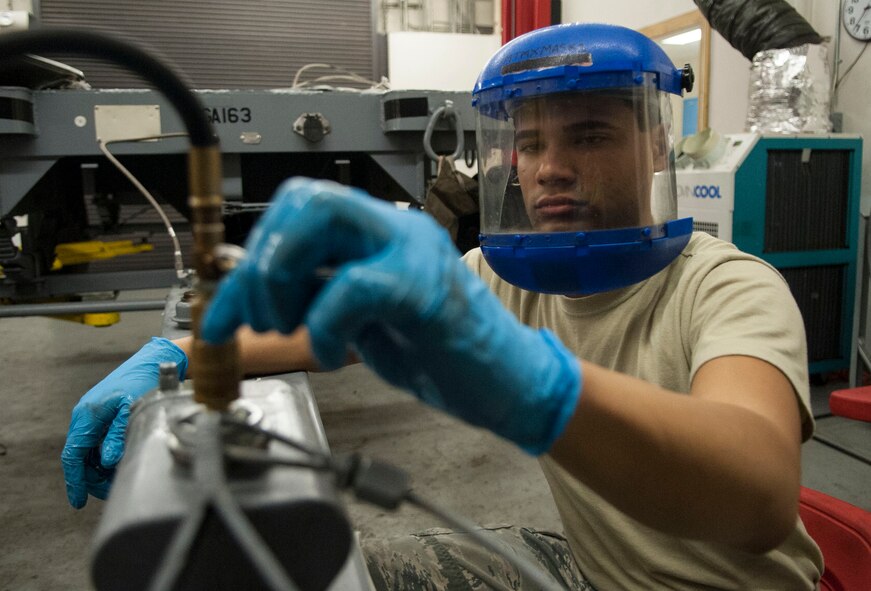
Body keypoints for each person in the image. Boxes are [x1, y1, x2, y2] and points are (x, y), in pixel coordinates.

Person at [62, 23, 824, 590]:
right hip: (591, 574)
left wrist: (535, 386)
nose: (549, 169)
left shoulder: (725, 284)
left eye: (588, 135)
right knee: (324, 571)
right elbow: (328, 322)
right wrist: (175, 356)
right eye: (526, 144)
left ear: (658, 143)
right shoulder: (507, 273)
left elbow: (756, 494)